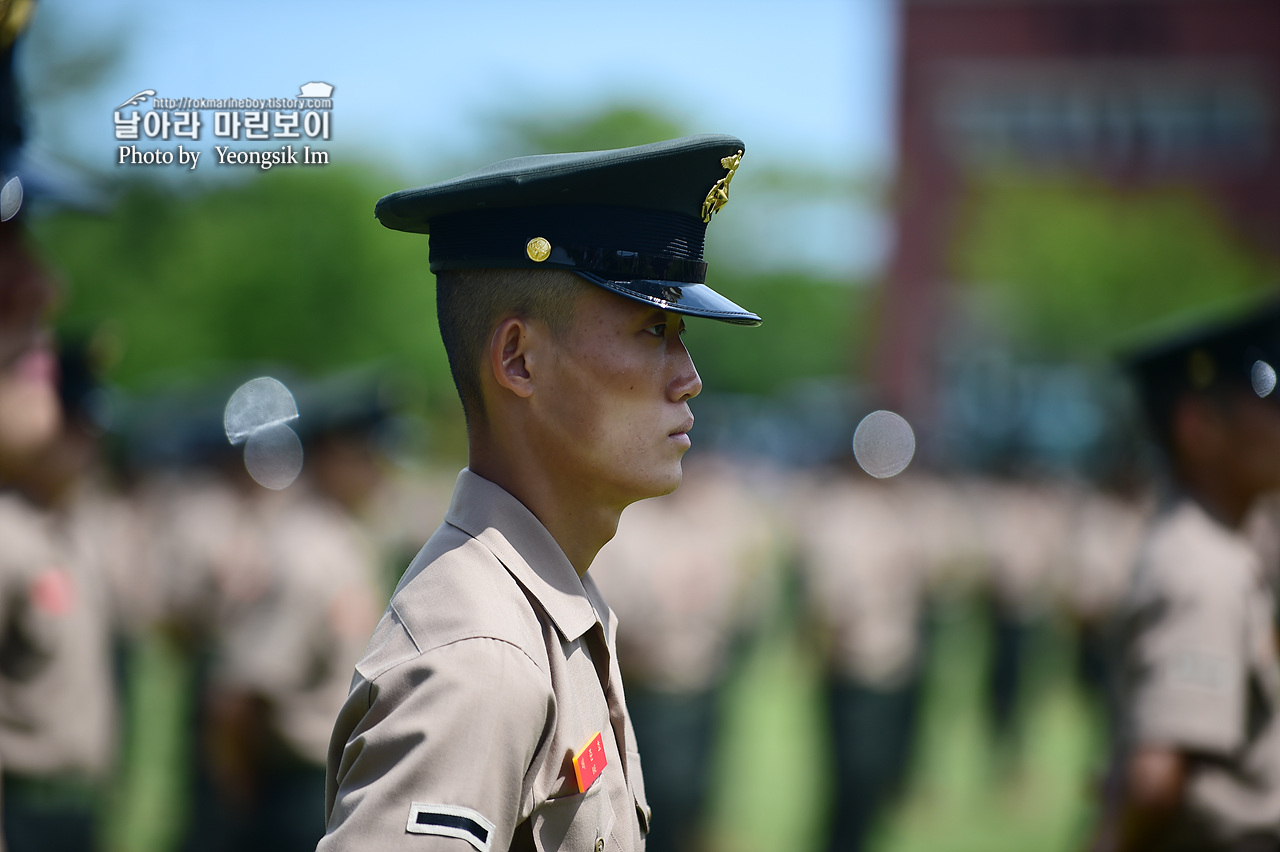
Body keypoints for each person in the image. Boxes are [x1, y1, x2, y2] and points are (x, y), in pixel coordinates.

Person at [320, 136, 760, 851]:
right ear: (520, 360)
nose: (689, 376)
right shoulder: (480, 660)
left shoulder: (553, 604)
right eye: (654, 329)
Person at [1088, 298, 1280, 852]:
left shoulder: (1224, 547)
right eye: (1268, 405)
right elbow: (1156, 781)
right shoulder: (1202, 568)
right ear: (1200, 429)